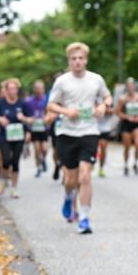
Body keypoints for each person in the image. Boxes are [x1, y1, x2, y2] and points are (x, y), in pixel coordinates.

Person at [47, 43, 112, 234]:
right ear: (69, 61)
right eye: (74, 59)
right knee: (70, 179)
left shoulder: (96, 79)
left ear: (86, 59)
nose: (77, 62)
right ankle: (69, 196)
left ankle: (84, 218)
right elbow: (51, 105)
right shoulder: (62, 82)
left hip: (89, 132)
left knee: (85, 176)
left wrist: (102, 107)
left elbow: (107, 97)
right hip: (67, 133)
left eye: (81, 58)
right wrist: (66, 110)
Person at [0, 78, 27, 197]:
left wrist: (24, 118)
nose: (12, 91)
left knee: (15, 162)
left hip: (18, 137)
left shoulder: (22, 103)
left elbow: (31, 119)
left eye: (14, 88)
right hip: (4, 136)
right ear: (6, 90)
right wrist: (0, 119)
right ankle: (4, 181)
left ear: (17, 90)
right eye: (10, 89)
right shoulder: (0, 103)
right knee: (5, 160)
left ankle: (14, 188)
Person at [117, 77, 138, 175]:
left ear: (135, 86)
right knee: (127, 147)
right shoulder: (122, 99)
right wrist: (127, 117)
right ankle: (126, 164)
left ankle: (135, 163)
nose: (131, 88)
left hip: (137, 124)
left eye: (132, 86)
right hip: (126, 124)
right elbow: (117, 112)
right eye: (129, 86)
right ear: (126, 87)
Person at [23, 80, 50, 177]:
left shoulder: (48, 100)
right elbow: (25, 115)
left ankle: (43, 159)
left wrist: (48, 118)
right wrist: (27, 128)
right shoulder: (28, 101)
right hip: (34, 128)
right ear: (34, 89)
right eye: (37, 88)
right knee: (37, 149)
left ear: (43, 89)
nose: (39, 90)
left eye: (41, 88)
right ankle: (38, 167)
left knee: (45, 149)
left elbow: (51, 113)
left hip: (45, 128)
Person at [95, 82, 118, 178]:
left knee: (103, 148)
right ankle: (91, 162)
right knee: (93, 148)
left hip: (105, 127)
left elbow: (113, 111)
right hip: (94, 127)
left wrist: (105, 110)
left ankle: (101, 168)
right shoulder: (93, 98)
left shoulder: (108, 99)